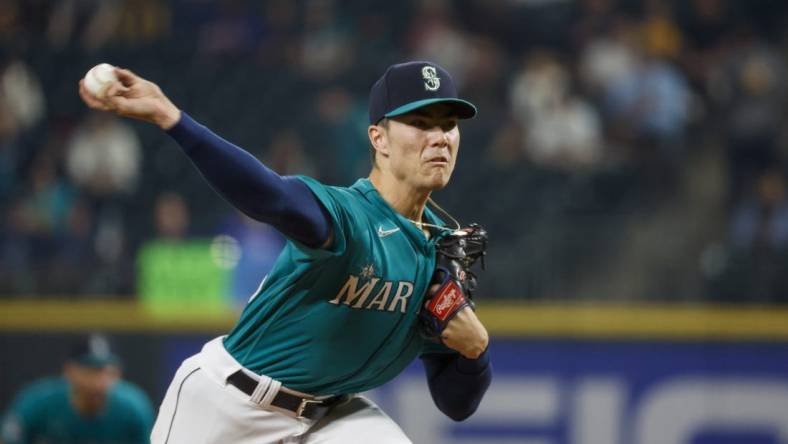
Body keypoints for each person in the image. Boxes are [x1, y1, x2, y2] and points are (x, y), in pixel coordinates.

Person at [78, 60, 492, 443]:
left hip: (330, 417)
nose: (439, 137)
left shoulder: (443, 253)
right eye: (420, 123)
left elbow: (455, 403)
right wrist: (172, 118)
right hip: (231, 402)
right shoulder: (349, 217)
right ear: (378, 138)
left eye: (448, 125)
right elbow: (269, 196)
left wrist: (474, 352)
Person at [1, 334, 154, 444]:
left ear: (118, 373)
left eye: (105, 371)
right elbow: (7, 438)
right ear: (69, 370)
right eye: (90, 370)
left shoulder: (134, 408)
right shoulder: (39, 401)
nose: (97, 380)